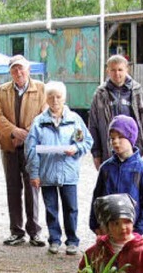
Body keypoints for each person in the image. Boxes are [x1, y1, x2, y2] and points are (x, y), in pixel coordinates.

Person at [25, 81, 92, 255]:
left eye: (58, 97)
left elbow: (86, 142)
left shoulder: (75, 120)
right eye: (50, 97)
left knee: (71, 208)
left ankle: (72, 240)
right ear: (45, 98)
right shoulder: (39, 122)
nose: (54, 100)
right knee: (51, 208)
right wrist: (34, 173)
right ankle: (54, 239)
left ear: (64, 98)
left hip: (68, 174)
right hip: (46, 175)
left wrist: (76, 149)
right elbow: (31, 150)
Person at [0, 55, 46, 247]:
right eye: (14, 69)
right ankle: (16, 231)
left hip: (32, 149)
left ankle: (35, 231)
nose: (18, 72)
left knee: (33, 188)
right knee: (13, 189)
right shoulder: (2, 90)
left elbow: (43, 114)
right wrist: (13, 131)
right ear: (10, 72)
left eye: (21, 68)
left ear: (28, 69)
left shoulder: (41, 88)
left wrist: (27, 134)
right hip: (10, 147)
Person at [89, 115, 143, 235]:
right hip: (108, 227)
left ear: (131, 138)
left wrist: (140, 229)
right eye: (112, 138)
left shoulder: (142, 168)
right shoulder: (106, 168)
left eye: (120, 137)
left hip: (130, 229)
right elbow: (97, 196)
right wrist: (95, 224)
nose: (115, 141)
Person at [88, 54, 143, 169]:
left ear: (126, 70)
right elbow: (93, 125)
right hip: (109, 152)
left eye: (120, 70)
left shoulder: (137, 92)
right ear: (107, 70)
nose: (117, 73)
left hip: (134, 152)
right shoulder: (100, 94)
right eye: (113, 70)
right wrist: (96, 153)